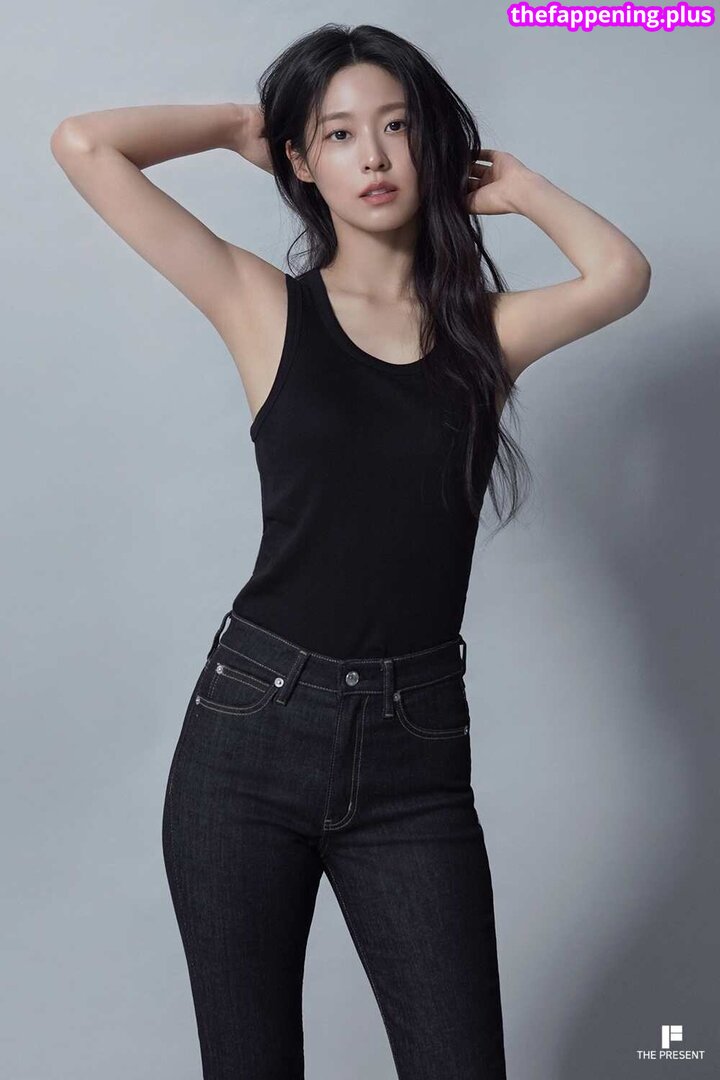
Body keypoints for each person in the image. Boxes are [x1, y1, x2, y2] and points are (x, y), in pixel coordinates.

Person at [50, 22, 651, 1080]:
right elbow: (85, 143)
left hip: (416, 756)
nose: (372, 156)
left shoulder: (484, 337)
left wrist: (521, 188)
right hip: (249, 735)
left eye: (396, 127)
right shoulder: (261, 307)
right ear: (301, 160)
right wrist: (242, 124)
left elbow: (620, 274)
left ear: (431, 144)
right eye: (337, 134)